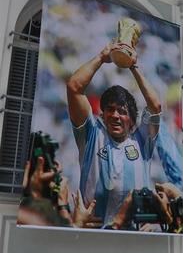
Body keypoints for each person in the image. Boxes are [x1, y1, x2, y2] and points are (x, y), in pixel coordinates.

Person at [66, 42, 162, 226]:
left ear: (133, 121)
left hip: (134, 238)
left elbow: (155, 106)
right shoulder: (92, 136)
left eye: (122, 111)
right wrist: (102, 57)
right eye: (110, 109)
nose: (115, 115)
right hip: (93, 234)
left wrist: (133, 66)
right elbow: (74, 87)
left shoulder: (141, 142)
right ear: (102, 114)